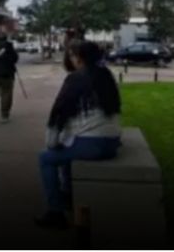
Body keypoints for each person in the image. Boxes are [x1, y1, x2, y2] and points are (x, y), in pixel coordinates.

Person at [35, 39, 122, 229]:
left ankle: (55, 212)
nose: (72, 59)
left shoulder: (76, 78)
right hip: (113, 142)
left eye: (73, 55)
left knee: (46, 158)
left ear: (80, 58)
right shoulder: (107, 75)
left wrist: (51, 142)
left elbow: (58, 113)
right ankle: (67, 195)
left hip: (93, 145)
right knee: (67, 149)